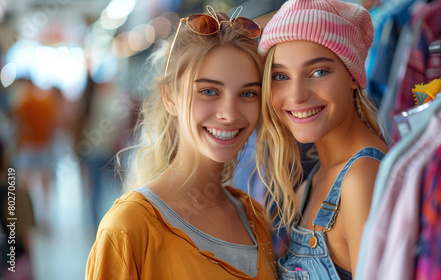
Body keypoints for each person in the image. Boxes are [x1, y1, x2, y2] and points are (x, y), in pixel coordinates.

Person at [85, 6, 277, 279]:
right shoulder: (129, 228)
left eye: (247, 93)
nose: (230, 113)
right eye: (209, 91)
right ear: (170, 97)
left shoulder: (255, 218)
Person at [255, 0, 389, 279]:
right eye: (281, 76)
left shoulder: (361, 178)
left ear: (353, 76)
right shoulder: (318, 175)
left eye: (318, 72)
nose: (296, 95)